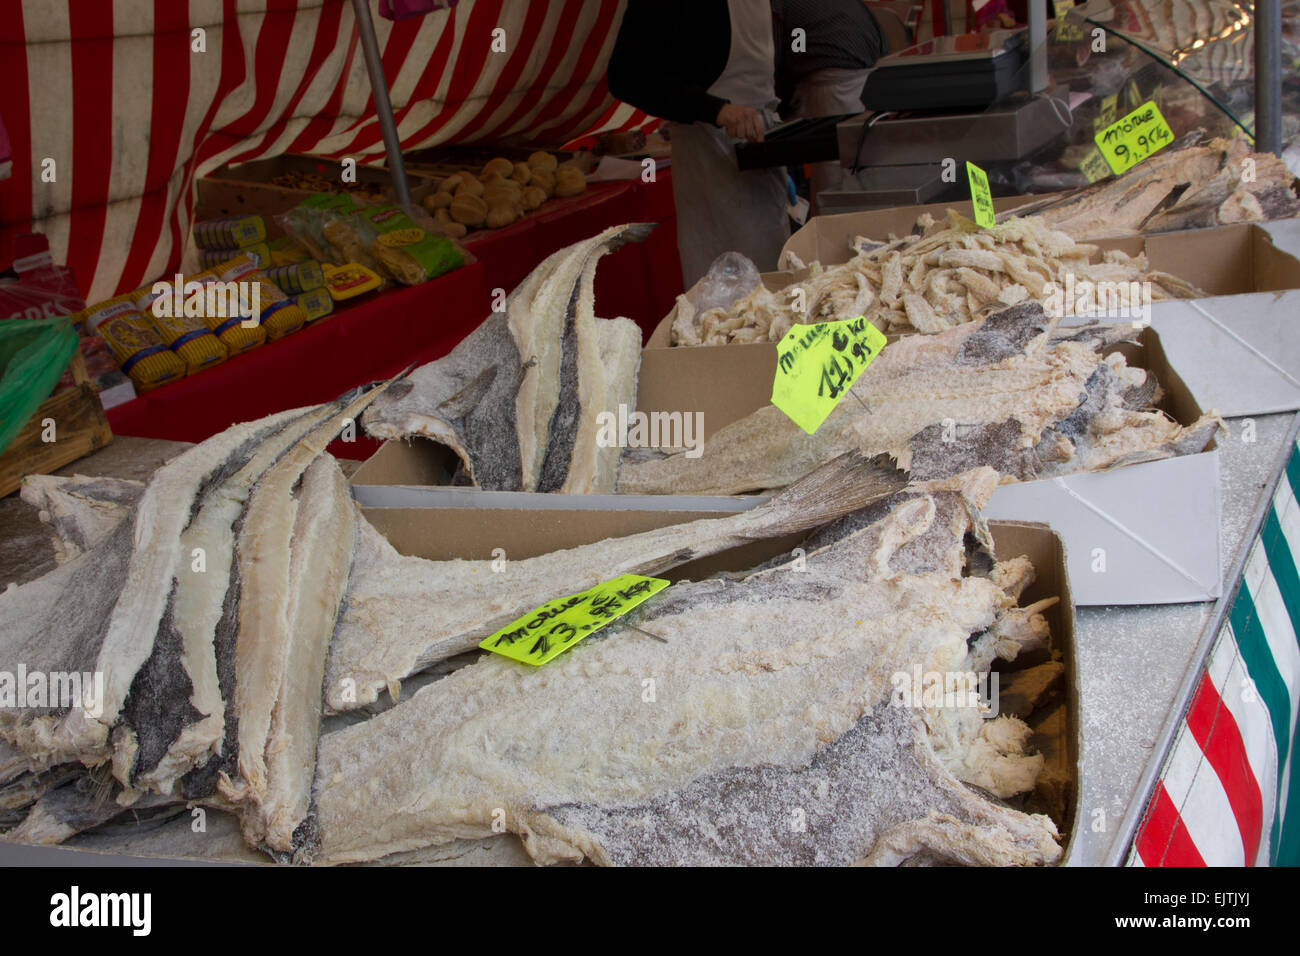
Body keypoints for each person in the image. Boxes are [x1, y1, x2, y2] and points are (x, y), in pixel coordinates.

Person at [609, 0, 791, 287]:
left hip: (762, 154)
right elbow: (628, 76)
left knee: (774, 277)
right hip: (709, 157)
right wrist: (715, 110)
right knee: (725, 292)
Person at [772, 0, 888, 212]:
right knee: (860, 168)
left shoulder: (776, 5)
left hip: (835, 79)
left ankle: (838, 236)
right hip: (872, 71)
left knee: (834, 174)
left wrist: (780, 110)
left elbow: (776, 61)